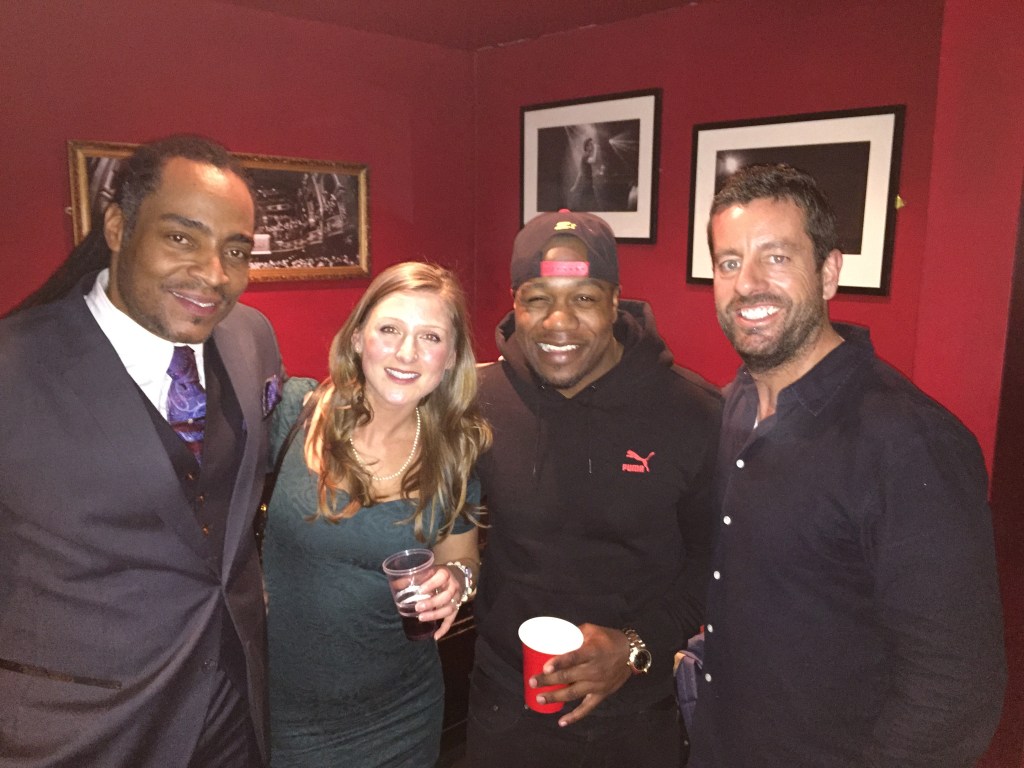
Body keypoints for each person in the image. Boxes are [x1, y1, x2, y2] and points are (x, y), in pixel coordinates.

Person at [689, 163, 1007, 767]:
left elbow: (954, 689)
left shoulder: (910, 442)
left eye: (776, 257)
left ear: (829, 272)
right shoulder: (733, 406)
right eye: (729, 262)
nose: (747, 283)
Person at [0, 134, 284, 766]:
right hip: (82, 730)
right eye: (181, 237)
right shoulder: (13, 367)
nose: (214, 274)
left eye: (235, 250)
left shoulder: (251, 338)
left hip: (233, 707)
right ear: (118, 227)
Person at [466, 211, 722, 767]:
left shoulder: (693, 413)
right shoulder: (478, 400)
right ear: (514, 303)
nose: (558, 322)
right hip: (505, 703)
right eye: (538, 298)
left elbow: (713, 561)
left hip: (636, 711)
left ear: (615, 302)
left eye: (583, 298)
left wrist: (634, 645)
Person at [262, 261, 492, 767]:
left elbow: (464, 559)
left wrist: (457, 580)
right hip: (287, 712)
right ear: (358, 337)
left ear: (451, 357)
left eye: (430, 336)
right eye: (390, 329)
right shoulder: (296, 412)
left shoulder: (454, 452)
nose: (407, 352)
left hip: (403, 712)